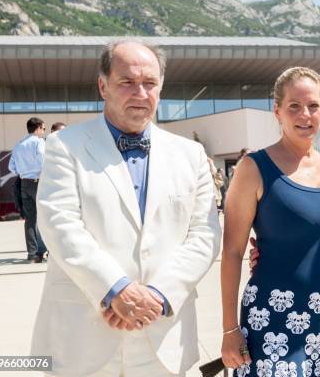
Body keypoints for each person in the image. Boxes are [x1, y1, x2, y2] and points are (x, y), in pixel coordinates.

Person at [31, 40, 222, 376]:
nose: (140, 92)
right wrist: (115, 288)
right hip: (86, 336)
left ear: (160, 88)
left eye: (149, 83)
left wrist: (159, 295)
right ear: (103, 86)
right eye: (127, 82)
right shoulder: (64, 147)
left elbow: (205, 235)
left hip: (163, 334)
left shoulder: (191, 155)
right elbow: (59, 224)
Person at [221, 67, 320, 377]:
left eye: (313, 105)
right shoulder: (253, 168)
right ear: (277, 111)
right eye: (294, 106)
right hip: (272, 322)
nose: (305, 114)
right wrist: (229, 330)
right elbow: (232, 253)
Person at [8, 117, 47, 263]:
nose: (43, 131)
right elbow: (43, 162)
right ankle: (42, 251)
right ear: (37, 128)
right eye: (43, 128)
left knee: (30, 220)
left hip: (24, 183)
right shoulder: (39, 142)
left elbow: (11, 167)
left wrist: (23, 171)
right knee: (43, 217)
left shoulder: (19, 144)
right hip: (38, 182)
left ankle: (32, 254)